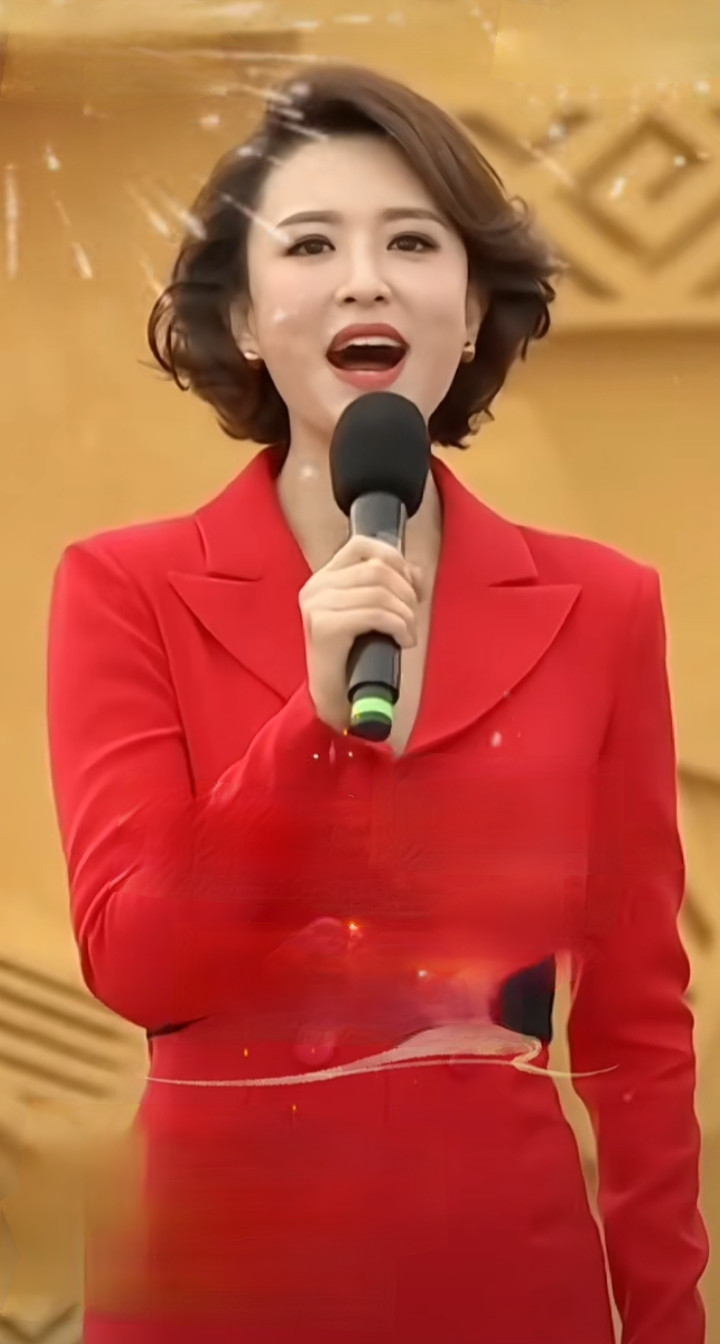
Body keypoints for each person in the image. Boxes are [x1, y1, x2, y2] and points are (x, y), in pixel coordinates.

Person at [46, 62, 708, 1344]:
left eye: (413, 242)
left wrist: (668, 1321)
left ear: (473, 309)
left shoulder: (605, 605)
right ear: (244, 317)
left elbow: (637, 1029)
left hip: (512, 1279)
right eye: (311, 245)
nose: (366, 280)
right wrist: (307, 732)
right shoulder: (123, 587)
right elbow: (135, 960)